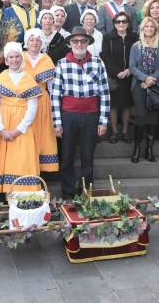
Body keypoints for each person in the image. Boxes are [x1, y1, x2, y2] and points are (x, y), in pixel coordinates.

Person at [51, 26, 110, 200]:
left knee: (87, 156)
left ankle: (85, 193)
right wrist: (57, 123)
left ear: (87, 43)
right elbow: (55, 95)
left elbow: (105, 93)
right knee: (67, 156)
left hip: (91, 115)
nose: (79, 44)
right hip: (68, 115)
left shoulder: (98, 63)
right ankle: (68, 194)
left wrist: (103, 121)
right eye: (75, 41)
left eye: (83, 41)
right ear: (70, 44)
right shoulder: (62, 64)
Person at [0, 42, 42, 194]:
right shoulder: (1, 79)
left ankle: (22, 192)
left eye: (17, 57)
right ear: (6, 60)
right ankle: (1, 192)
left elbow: (32, 107)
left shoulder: (28, 79)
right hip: (3, 123)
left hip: (22, 126)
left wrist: (19, 129)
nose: (14, 60)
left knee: (22, 159)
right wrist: (1, 129)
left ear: (21, 59)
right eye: (11, 57)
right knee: (2, 158)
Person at [130, 17, 159, 163]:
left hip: (156, 85)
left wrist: (151, 80)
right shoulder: (136, 46)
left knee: (153, 117)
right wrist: (145, 78)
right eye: (147, 26)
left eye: (152, 27)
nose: (149, 29)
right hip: (139, 85)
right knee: (141, 114)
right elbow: (132, 67)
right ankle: (137, 147)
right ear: (142, 29)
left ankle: (149, 148)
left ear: (156, 29)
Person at [23, 29, 60, 172]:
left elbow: (52, 87)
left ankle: (42, 168)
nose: (34, 43)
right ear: (26, 42)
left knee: (42, 134)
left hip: (42, 102)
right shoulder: (19, 57)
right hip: (23, 102)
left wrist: (52, 107)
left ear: (42, 43)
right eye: (31, 40)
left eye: (38, 40)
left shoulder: (46, 59)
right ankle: (27, 166)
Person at [101, 11, 139, 144]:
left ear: (128, 23)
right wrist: (117, 72)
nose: (121, 24)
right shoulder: (108, 38)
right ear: (114, 24)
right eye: (118, 21)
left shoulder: (134, 38)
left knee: (127, 105)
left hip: (130, 75)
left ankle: (125, 131)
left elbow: (138, 55)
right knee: (114, 105)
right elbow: (105, 56)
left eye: (124, 21)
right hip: (114, 77)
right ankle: (114, 132)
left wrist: (130, 69)